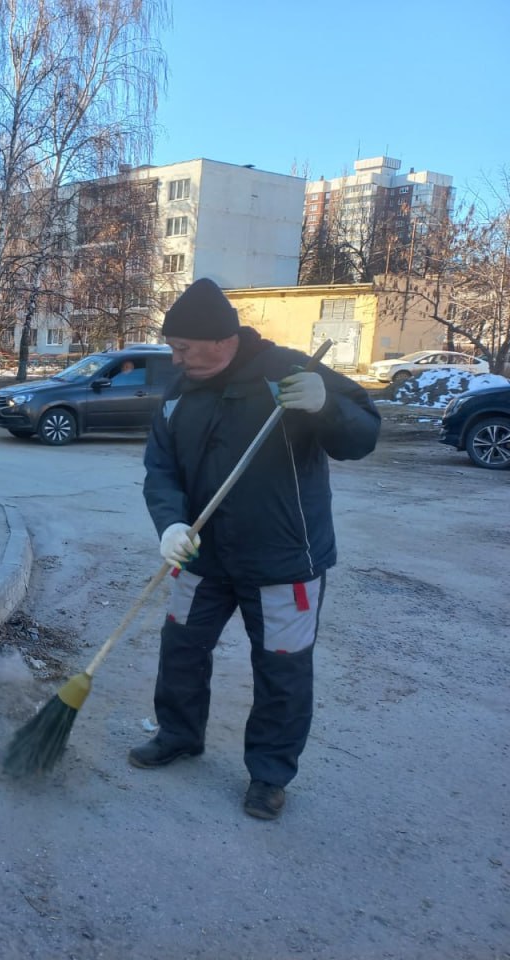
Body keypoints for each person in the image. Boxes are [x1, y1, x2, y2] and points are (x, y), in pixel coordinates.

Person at [129, 277, 380, 821]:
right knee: (181, 649)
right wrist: (170, 524)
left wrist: (326, 405)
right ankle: (178, 734)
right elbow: (160, 470)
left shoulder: (288, 372)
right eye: (173, 348)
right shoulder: (178, 395)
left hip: (284, 561)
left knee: (282, 672)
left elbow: (361, 436)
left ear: (222, 340)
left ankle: (269, 774)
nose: (176, 359)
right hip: (203, 558)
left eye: (184, 348)